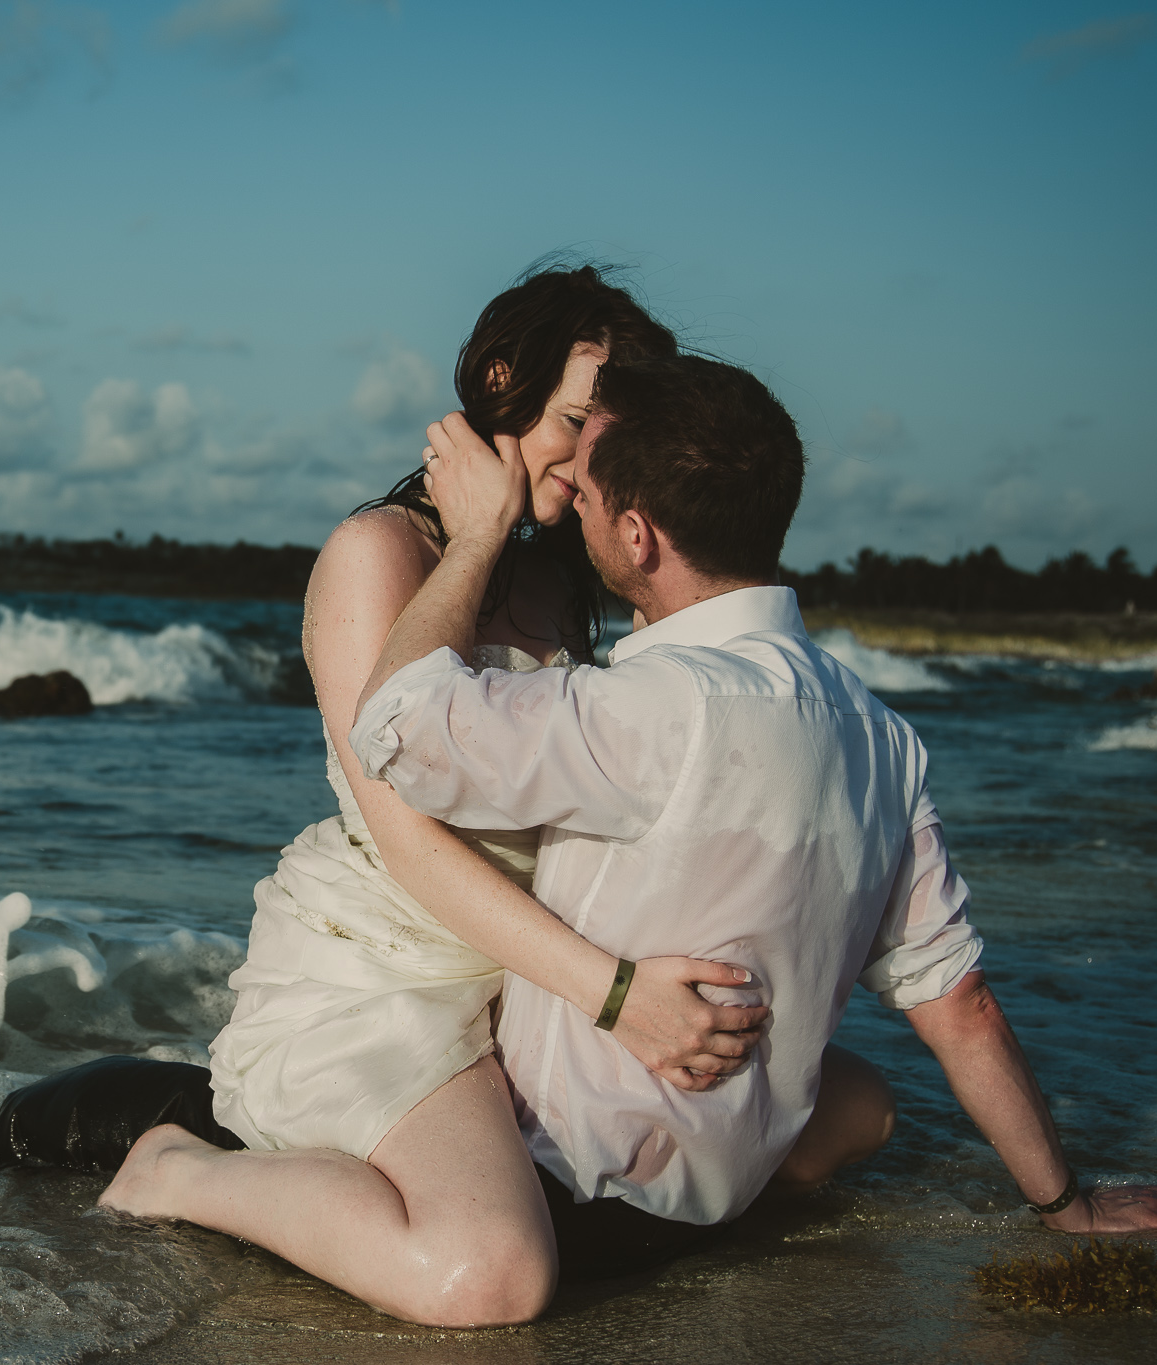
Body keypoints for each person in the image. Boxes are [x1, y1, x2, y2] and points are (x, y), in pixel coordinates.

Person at [320, 352, 1157, 1241]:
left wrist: (475, 536)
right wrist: (1067, 1201)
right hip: (726, 1187)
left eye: (588, 489)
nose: (574, 500)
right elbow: (962, 1004)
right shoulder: (882, 736)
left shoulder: (643, 708)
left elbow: (395, 726)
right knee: (869, 1105)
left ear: (639, 538)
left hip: (565, 1192)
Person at [79, 270, 785, 1328]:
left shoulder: (563, 579)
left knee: (835, 1118)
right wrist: (616, 996)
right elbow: (408, 845)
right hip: (382, 972)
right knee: (489, 1277)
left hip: (531, 971)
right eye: (575, 420)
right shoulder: (375, 554)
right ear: (499, 379)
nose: (594, 457)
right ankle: (174, 1169)